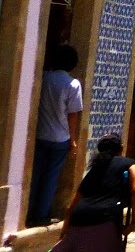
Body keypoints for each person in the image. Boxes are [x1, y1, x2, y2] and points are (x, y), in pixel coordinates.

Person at [26, 45, 82, 228]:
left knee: (35, 174)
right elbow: (73, 114)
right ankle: (41, 214)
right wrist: (72, 140)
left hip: (40, 134)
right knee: (51, 177)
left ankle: (27, 210)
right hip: (60, 138)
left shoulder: (44, 77)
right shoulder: (73, 84)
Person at [56, 135, 135, 252]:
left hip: (79, 218)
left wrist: (64, 234)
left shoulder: (94, 170)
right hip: (105, 219)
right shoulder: (130, 163)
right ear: (121, 148)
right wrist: (134, 223)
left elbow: (71, 206)